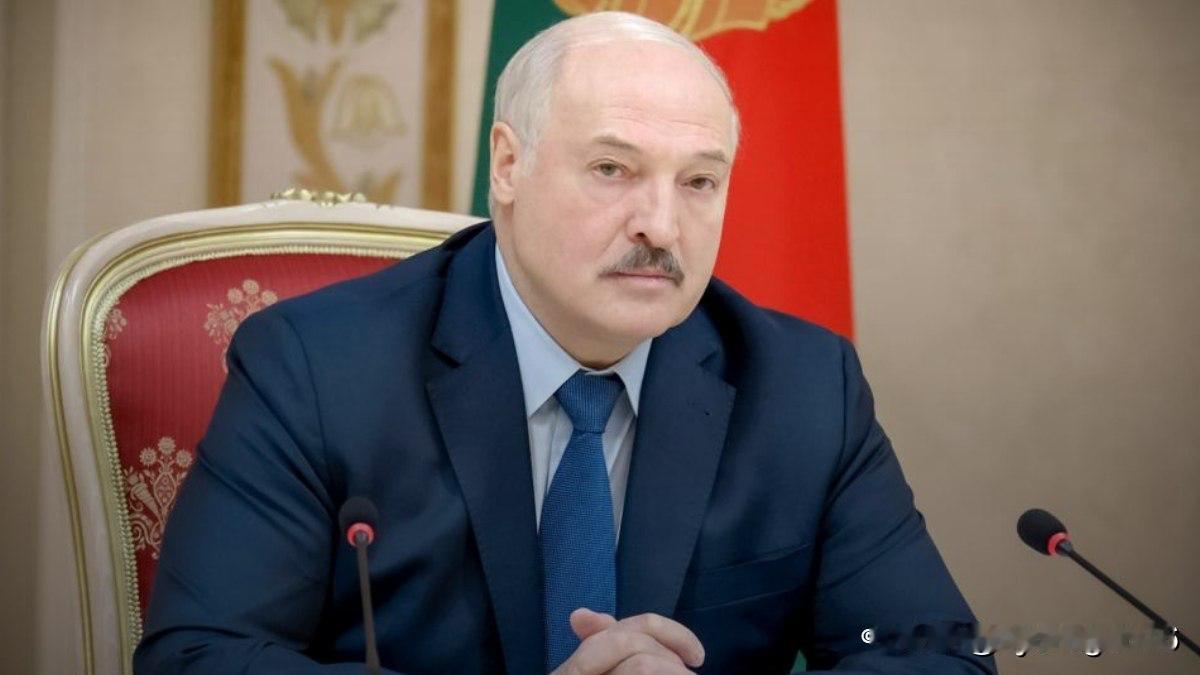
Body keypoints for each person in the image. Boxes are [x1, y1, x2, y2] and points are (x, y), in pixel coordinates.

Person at [136, 11, 995, 675]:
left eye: (699, 182)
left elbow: (944, 659)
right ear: (508, 166)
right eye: (613, 169)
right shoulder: (316, 367)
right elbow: (199, 655)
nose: (662, 225)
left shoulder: (805, 387)